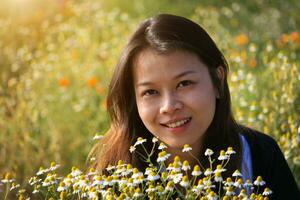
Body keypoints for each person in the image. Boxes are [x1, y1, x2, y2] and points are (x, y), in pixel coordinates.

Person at [89, 14, 300, 199]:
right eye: (150, 92)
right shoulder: (116, 175)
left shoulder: (258, 156)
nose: (169, 106)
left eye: (184, 84)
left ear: (218, 81)